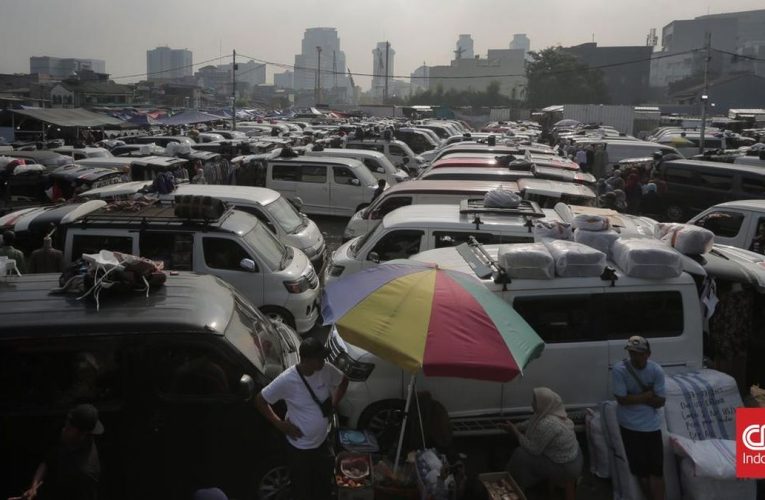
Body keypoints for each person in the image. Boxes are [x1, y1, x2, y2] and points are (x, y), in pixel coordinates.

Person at [255, 338, 349, 500]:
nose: (323, 361)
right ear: (305, 360)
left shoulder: (326, 369)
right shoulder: (287, 380)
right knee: (302, 488)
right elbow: (260, 400)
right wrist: (281, 425)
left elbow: (343, 381)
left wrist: (334, 403)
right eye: (319, 358)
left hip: (322, 442)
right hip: (299, 449)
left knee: (323, 485)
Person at [501, 387, 582, 497]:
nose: (532, 403)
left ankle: (511, 486)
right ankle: (520, 482)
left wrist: (515, 431)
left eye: (535, 401)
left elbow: (533, 449)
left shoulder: (548, 424)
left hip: (565, 467)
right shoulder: (552, 411)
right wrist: (515, 427)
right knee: (523, 450)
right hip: (573, 457)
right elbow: (529, 422)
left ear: (544, 403)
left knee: (520, 455)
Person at [612, 336, 666, 500]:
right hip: (630, 426)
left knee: (656, 470)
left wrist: (634, 398)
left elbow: (660, 402)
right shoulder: (620, 370)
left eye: (638, 353)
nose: (635, 356)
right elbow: (621, 399)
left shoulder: (656, 370)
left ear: (648, 354)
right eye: (632, 353)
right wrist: (647, 395)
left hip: (652, 426)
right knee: (641, 470)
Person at [19, 404, 103, 500]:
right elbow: (47, 461)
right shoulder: (72, 438)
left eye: (69, 428)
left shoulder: (85, 474)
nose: (64, 429)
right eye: (66, 424)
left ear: (83, 434)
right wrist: (33, 488)